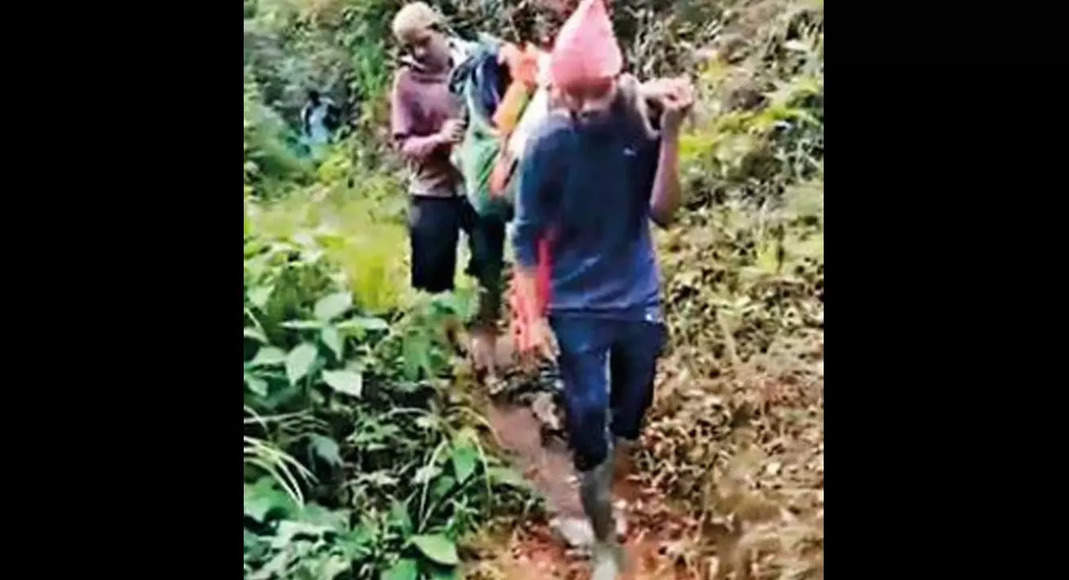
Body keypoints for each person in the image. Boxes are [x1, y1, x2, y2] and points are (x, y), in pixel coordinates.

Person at [509, 0, 694, 577]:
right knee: (588, 411)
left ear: (616, 80)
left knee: (631, 407)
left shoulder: (641, 120)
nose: (586, 107)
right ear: (558, 89)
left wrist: (670, 138)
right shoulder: (547, 143)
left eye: (597, 92)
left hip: (636, 293)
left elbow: (662, 213)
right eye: (573, 94)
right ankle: (605, 535)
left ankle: (610, 477)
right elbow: (525, 235)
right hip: (575, 301)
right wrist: (534, 317)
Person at [390, 2, 501, 369]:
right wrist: (438, 139)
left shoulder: (472, 61)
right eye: (411, 47)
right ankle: (444, 350)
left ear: (438, 29)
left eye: (424, 41)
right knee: (432, 278)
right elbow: (403, 143)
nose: (420, 52)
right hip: (433, 190)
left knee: (488, 263)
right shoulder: (406, 82)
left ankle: (487, 340)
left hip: (477, 186)